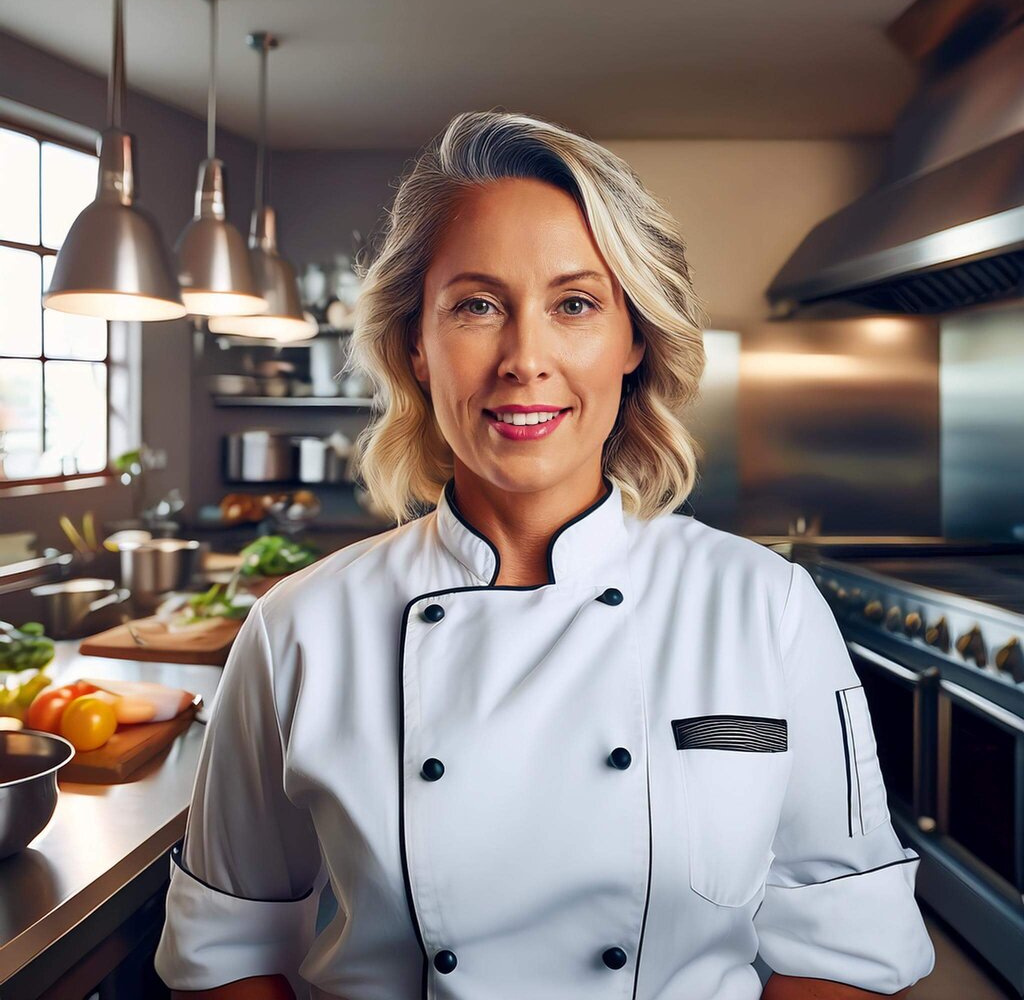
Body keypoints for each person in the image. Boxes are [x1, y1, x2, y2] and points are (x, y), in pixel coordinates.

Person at [154, 109, 936, 1000]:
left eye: (575, 304)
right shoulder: (300, 625)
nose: (525, 359)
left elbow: (848, 957)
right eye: (477, 306)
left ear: (635, 338)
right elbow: (228, 956)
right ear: (416, 342)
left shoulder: (765, 606)